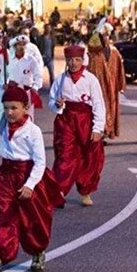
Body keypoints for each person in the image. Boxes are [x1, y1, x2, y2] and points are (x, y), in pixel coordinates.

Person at [0, 84, 65, 272]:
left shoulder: (32, 131)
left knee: (33, 219)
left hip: (28, 175)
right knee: (0, 214)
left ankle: (37, 251)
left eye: (14, 108)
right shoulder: (1, 127)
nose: (9, 112)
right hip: (6, 176)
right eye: (6, 107)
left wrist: (29, 185)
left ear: (25, 108)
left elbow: (40, 161)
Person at [48, 43, 106, 207]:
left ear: (82, 60)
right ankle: (58, 192)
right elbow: (52, 103)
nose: (73, 63)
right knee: (65, 157)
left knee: (88, 157)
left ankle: (85, 191)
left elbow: (98, 105)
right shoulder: (60, 80)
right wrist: (57, 105)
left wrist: (97, 128)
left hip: (85, 122)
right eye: (70, 60)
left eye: (77, 59)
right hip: (66, 122)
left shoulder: (91, 80)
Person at [85, 25, 125, 140]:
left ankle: (107, 131)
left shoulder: (114, 51)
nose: (106, 37)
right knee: (98, 108)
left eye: (107, 35)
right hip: (98, 86)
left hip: (111, 87)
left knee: (110, 108)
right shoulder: (93, 54)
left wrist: (120, 84)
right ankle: (100, 132)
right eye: (103, 35)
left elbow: (119, 69)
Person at [7, 35, 44, 120]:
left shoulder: (31, 60)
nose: (22, 47)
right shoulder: (9, 59)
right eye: (19, 44)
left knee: (27, 117)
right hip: (13, 92)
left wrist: (35, 87)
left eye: (24, 44)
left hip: (26, 92)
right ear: (15, 46)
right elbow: (4, 74)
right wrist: (5, 83)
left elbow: (38, 76)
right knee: (13, 117)